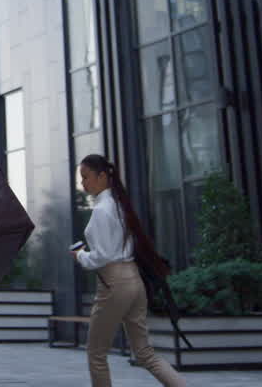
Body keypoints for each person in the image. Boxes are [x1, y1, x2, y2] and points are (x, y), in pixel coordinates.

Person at [72, 154, 186, 387]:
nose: (83, 183)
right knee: (144, 352)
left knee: (96, 353)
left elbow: (102, 256)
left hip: (114, 283)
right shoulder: (119, 205)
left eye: (86, 177)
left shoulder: (102, 210)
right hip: (134, 281)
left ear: (102, 176)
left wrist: (80, 255)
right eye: (81, 178)